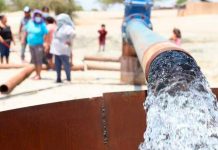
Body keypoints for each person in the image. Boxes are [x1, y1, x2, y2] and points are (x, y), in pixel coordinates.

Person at [23, 10, 48, 80]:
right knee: (34, 60)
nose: (38, 17)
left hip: (39, 44)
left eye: (39, 16)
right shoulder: (30, 22)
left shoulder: (42, 24)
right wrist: (23, 40)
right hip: (31, 44)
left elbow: (46, 33)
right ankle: (36, 73)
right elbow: (26, 31)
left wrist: (45, 43)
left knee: (39, 60)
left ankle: (39, 75)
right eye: (36, 15)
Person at [50, 14, 76, 83]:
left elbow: (73, 34)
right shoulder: (58, 27)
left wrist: (69, 41)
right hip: (56, 50)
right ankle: (58, 78)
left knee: (66, 64)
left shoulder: (67, 27)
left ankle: (68, 78)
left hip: (64, 50)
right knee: (57, 65)